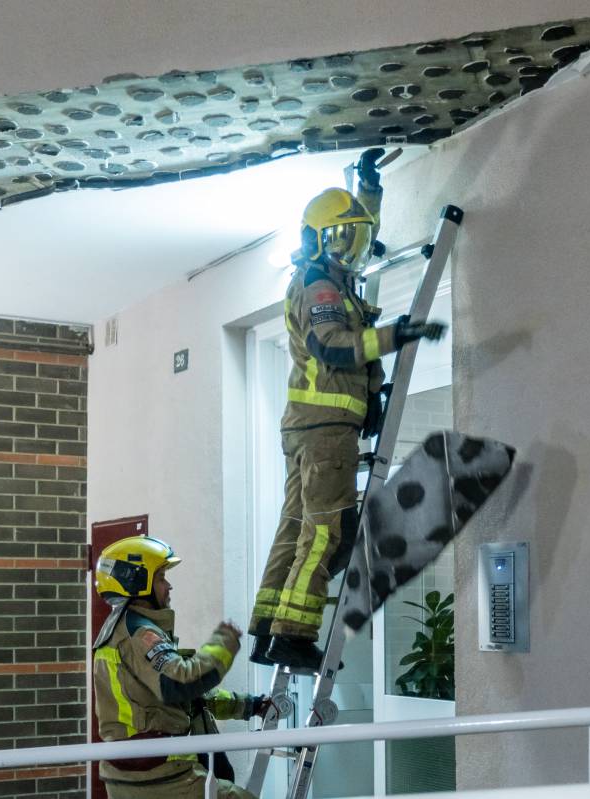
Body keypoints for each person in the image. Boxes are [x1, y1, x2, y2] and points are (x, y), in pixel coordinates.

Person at [248, 148, 448, 671]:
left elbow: (354, 225)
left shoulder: (330, 276)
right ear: (316, 240)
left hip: (310, 430)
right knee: (325, 535)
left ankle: (268, 631)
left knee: (294, 529)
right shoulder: (320, 288)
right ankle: (294, 634)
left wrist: (369, 187)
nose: (352, 249)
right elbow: (334, 344)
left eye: (354, 237)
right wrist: (395, 335)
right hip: (325, 431)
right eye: (341, 239)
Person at [92, 536, 272, 798]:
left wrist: (247, 705)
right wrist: (224, 642)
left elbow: (188, 701)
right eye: (162, 577)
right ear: (137, 581)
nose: (169, 586)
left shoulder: (121, 629)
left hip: (138, 774)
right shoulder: (139, 634)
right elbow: (181, 683)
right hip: (161, 775)